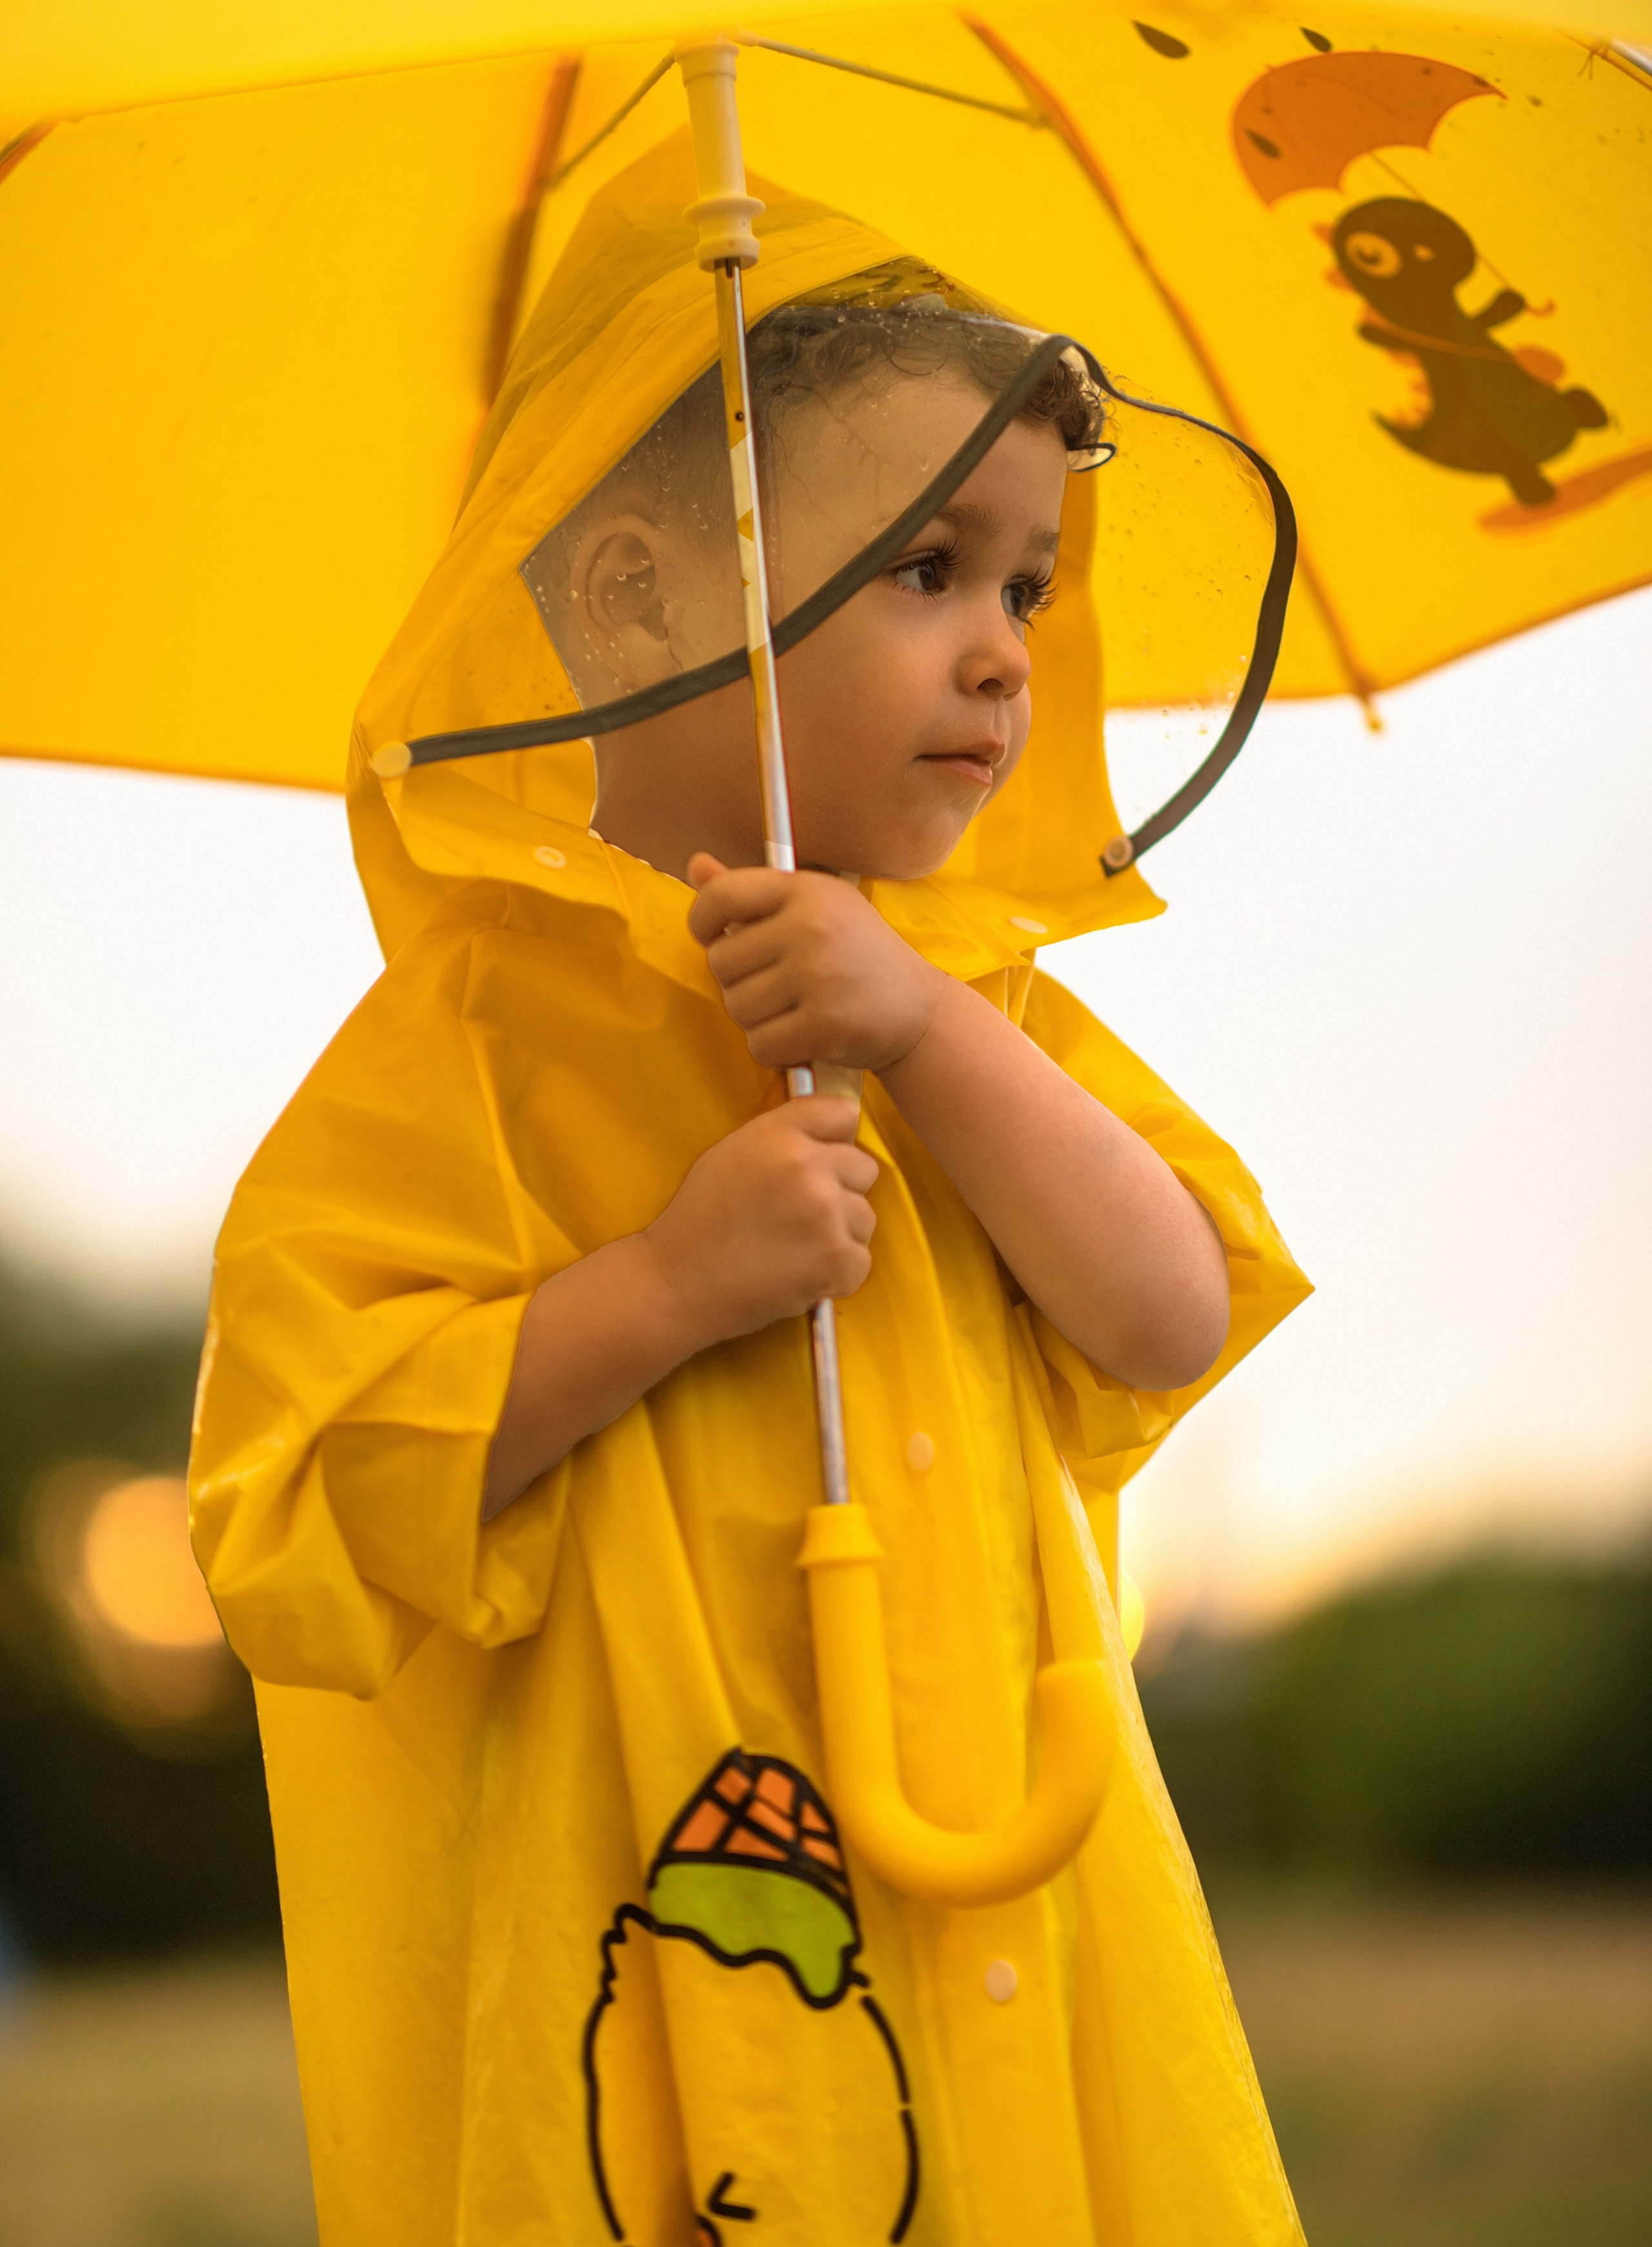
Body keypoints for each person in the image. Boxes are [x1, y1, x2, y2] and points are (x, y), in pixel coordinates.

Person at [190, 132, 1311, 2245]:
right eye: (923, 567)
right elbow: (298, 1512)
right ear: (638, 590)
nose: (1002, 650)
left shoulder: (989, 1015)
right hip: (669, 1943)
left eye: (1027, 586)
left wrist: (934, 1035)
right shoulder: (469, 1050)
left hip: (1011, 1889)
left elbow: (1167, 1311)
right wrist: (664, 1285)